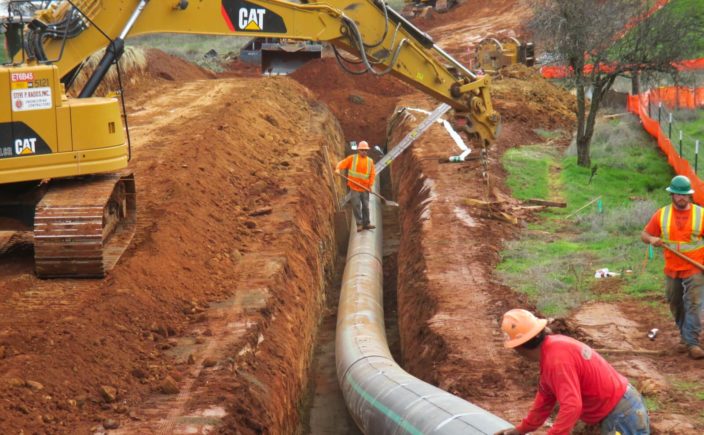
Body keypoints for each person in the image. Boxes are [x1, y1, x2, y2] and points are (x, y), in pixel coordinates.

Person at [495, 309, 650, 435]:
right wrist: (521, 430)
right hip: (618, 409)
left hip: (621, 415)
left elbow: (572, 406)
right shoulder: (552, 350)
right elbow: (545, 399)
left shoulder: (557, 360)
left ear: (519, 347)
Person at [640, 174, 704, 360]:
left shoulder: (700, 214)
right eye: (678, 194)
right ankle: (685, 335)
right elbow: (644, 234)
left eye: (684, 194)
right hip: (673, 267)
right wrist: (652, 239)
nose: (681, 197)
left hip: (696, 267)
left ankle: (692, 342)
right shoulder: (662, 214)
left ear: (689, 195)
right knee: (675, 302)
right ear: (672, 195)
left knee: (693, 303)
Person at [335, 141, 376, 232]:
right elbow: (341, 163)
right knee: (356, 205)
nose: (364, 152)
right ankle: (359, 224)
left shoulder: (370, 161)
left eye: (365, 150)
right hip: (354, 188)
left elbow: (372, 174)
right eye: (362, 150)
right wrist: (338, 169)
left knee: (366, 206)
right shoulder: (352, 159)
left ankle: (367, 223)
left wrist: (370, 186)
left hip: (365, 188)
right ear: (358, 150)